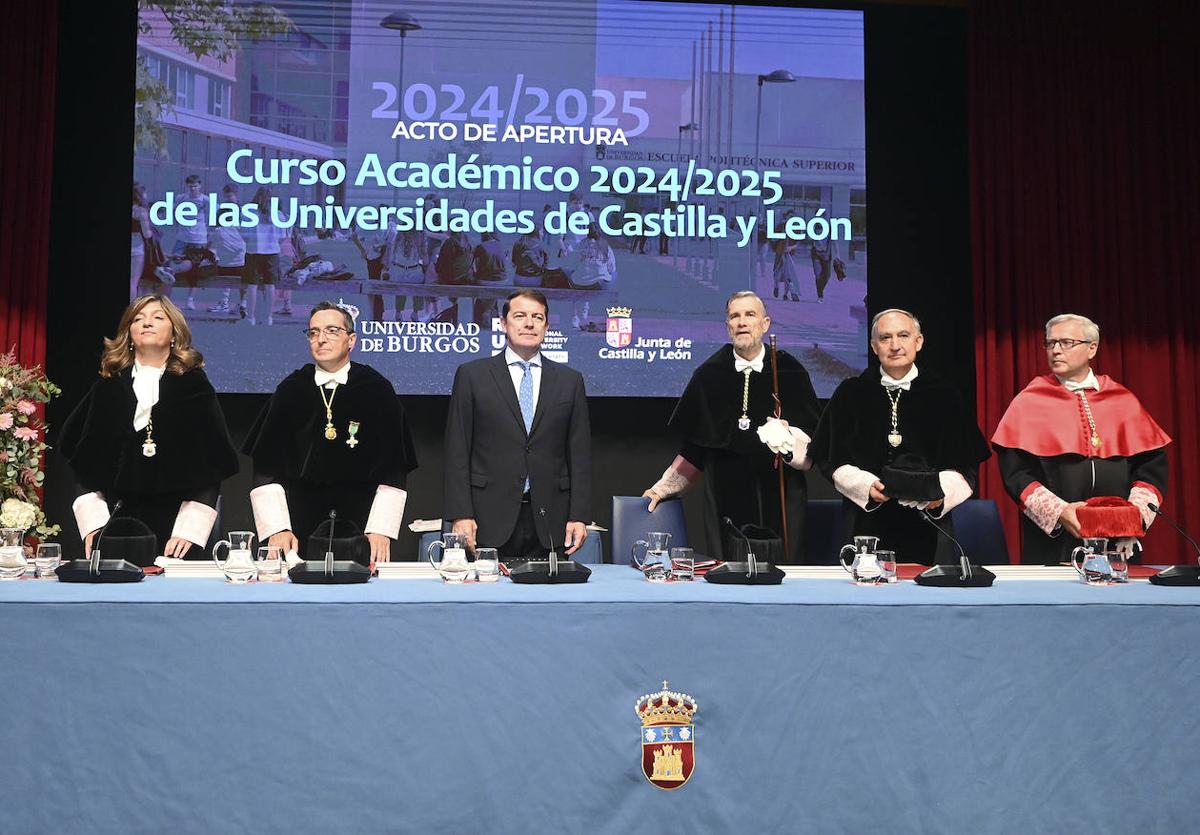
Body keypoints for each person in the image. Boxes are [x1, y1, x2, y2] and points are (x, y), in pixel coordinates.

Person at [57, 295, 239, 563]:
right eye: (138, 319)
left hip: (177, 533)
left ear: (174, 333)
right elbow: (84, 466)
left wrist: (188, 531)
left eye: (157, 317)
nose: (146, 323)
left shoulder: (194, 388)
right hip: (115, 528)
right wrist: (95, 525)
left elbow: (210, 468)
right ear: (129, 334)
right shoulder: (108, 389)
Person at [642, 291, 821, 563]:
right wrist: (661, 489)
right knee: (728, 574)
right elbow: (694, 451)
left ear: (765, 324)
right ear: (728, 326)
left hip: (781, 493)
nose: (742, 322)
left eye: (750, 315)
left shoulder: (790, 371)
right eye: (735, 316)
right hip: (723, 496)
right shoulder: (708, 375)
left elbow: (812, 446)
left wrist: (788, 438)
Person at [810, 309, 991, 564]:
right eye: (885, 338)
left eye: (903, 335)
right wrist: (864, 486)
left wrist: (938, 495)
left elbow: (966, 467)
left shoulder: (945, 396)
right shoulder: (851, 393)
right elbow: (828, 460)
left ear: (918, 341)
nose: (895, 345)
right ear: (874, 347)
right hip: (864, 526)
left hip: (931, 527)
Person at [243, 301, 417, 563]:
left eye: (332, 330)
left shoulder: (376, 389)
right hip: (299, 528)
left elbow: (394, 465)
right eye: (313, 332)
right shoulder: (291, 389)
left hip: (362, 527)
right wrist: (278, 528)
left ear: (351, 340)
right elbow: (266, 465)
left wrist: (380, 529)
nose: (321, 339)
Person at [992, 314, 1170, 564]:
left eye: (1065, 342)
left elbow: (1151, 470)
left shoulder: (1122, 399)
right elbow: (1016, 474)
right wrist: (1061, 512)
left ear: (1092, 348)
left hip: (1118, 540)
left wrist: (1134, 516)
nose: (1055, 350)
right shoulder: (1030, 400)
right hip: (1055, 541)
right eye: (1050, 343)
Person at [444, 289, 591, 562]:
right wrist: (461, 514)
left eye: (538, 317)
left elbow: (579, 455)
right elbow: (457, 450)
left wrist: (578, 515)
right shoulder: (472, 376)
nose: (529, 323)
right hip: (487, 517)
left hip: (551, 519)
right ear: (503, 323)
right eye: (520, 315)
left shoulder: (570, 381)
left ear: (547, 326)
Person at [241, 186, 283, 326]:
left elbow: (244, 235)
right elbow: (282, 237)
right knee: (270, 285)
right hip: (272, 252)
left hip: (253, 251)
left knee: (252, 285)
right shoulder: (278, 214)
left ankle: (250, 317)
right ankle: (268, 317)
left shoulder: (249, 213)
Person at [569, 224, 616, 330]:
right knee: (613, 274)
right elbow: (612, 268)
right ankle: (586, 309)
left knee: (575, 276)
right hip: (599, 284)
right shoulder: (605, 245)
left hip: (579, 283)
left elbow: (573, 264)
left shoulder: (581, 244)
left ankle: (575, 318)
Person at [130, 182, 154, 300]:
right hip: (136, 247)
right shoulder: (140, 211)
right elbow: (147, 234)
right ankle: (131, 311)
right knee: (133, 283)